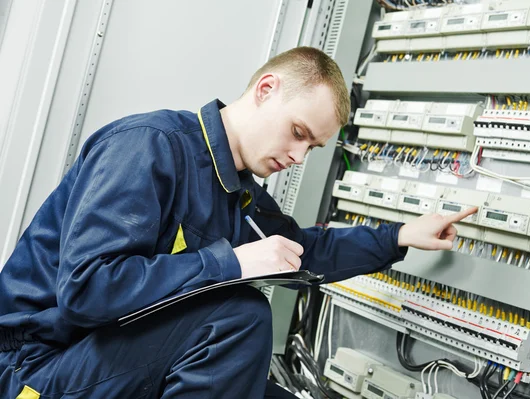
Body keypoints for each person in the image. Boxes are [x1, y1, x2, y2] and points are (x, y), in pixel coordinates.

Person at [0, 46, 476, 399]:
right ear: (266, 90)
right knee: (241, 315)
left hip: (102, 360)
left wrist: (400, 237)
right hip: (36, 370)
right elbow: (87, 291)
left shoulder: (234, 190)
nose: (296, 156)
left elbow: (302, 252)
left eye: (311, 148)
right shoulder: (149, 146)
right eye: (297, 133)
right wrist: (231, 263)